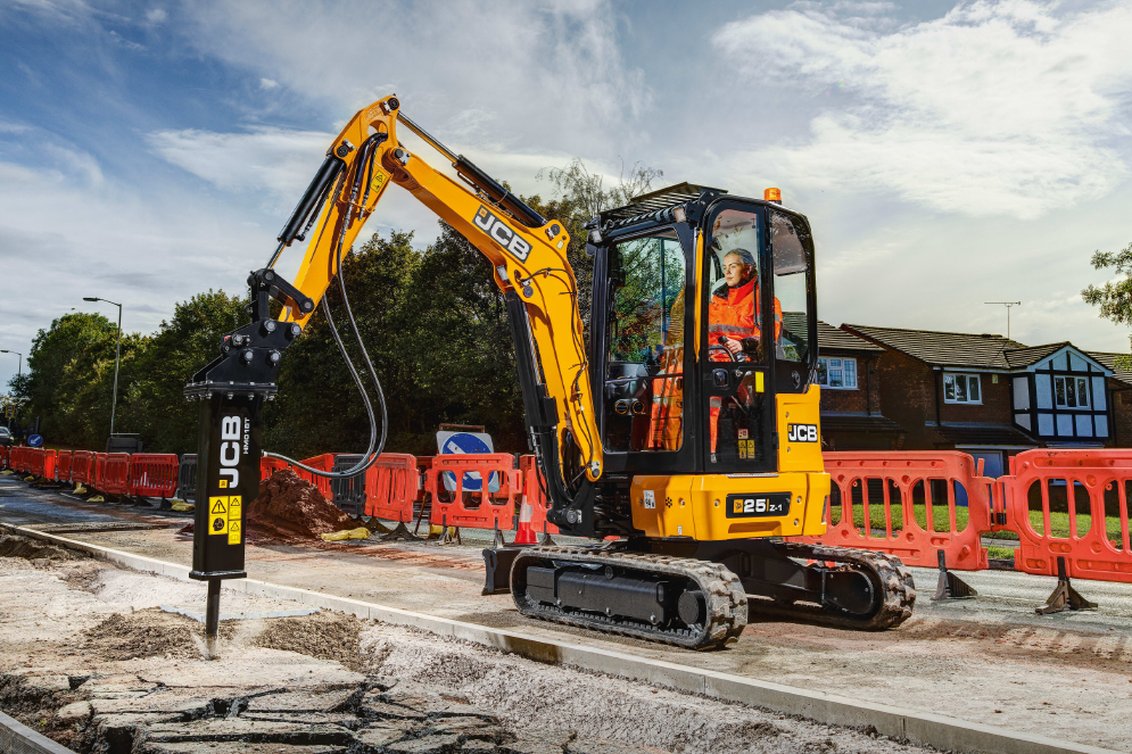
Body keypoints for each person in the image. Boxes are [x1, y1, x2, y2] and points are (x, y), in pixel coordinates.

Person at [707, 248, 781, 461]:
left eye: (733, 266)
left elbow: (768, 336)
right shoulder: (716, 301)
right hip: (714, 360)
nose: (727, 272)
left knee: (709, 393)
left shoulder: (763, 300)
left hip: (746, 363)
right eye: (725, 268)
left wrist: (742, 344)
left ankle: (710, 452)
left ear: (747, 269)